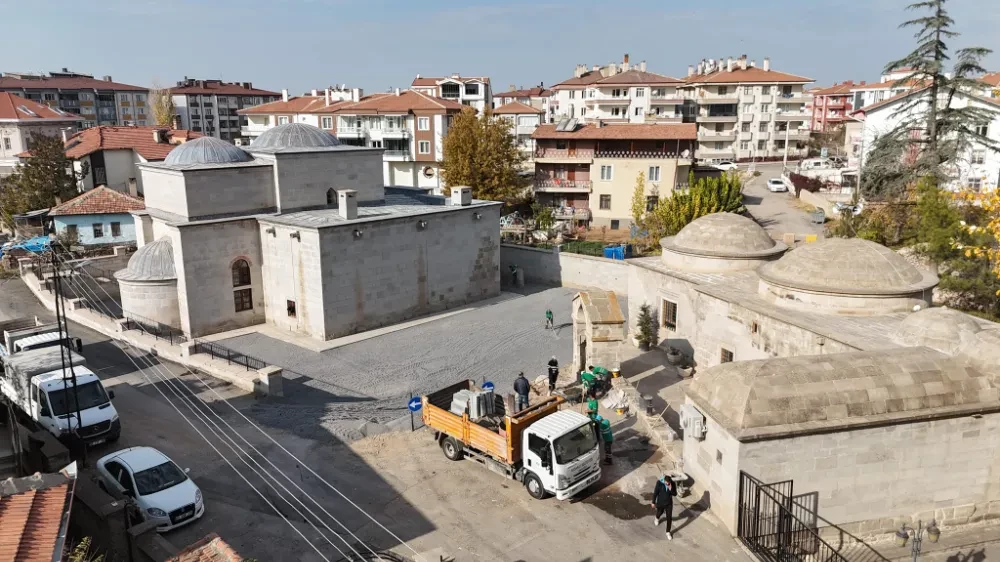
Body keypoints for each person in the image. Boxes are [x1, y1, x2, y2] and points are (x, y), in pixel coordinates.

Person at [652, 473, 678, 540]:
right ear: (664, 480)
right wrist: (653, 502)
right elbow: (655, 493)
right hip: (660, 502)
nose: (667, 484)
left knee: (669, 518)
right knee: (659, 512)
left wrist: (670, 489)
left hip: (669, 504)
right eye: (666, 483)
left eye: (668, 483)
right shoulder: (659, 483)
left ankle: (668, 532)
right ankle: (656, 518)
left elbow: (675, 494)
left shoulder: (672, 484)